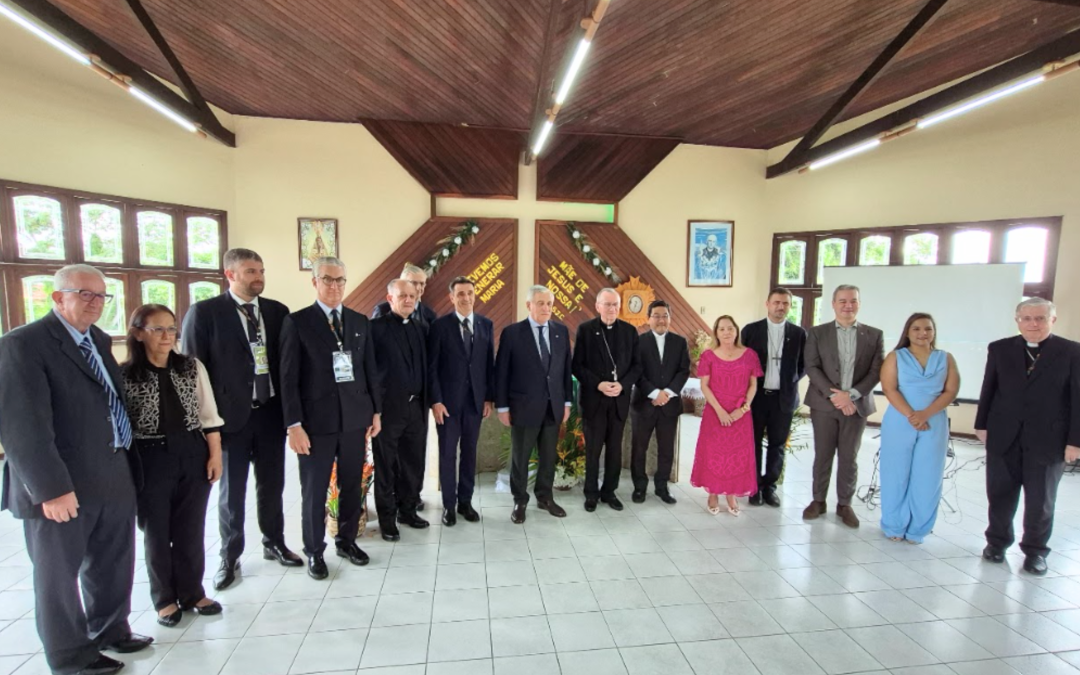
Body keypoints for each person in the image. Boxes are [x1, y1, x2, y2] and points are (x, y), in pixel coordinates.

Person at [0, 264, 152, 675]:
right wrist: (50, 488)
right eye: (84, 294)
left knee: (112, 559)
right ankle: (70, 656)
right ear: (57, 297)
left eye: (101, 295)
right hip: (60, 483)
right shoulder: (22, 344)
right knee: (57, 576)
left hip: (112, 469)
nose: (95, 302)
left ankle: (110, 629)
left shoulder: (97, 339)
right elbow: (21, 426)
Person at [181, 248, 301, 592]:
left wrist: (291, 418)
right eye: (250, 271)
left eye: (261, 270)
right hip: (229, 420)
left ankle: (274, 541)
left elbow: (287, 367)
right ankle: (230, 555)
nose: (258, 277)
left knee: (272, 485)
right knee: (232, 492)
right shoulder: (205, 313)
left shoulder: (277, 312)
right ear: (230, 274)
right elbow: (193, 373)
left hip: (270, 414)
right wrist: (205, 426)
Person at [121, 304, 226, 627]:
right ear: (138, 333)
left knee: (190, 528)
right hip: (149, 457)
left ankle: (193, 592)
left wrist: (215, 455)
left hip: (192, 451)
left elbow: (209, 414)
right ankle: (164, 598)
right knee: (156, 531)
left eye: (171, 328)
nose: (167, 336)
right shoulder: (125, 375)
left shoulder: (190, 367)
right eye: (157, 329)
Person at [280, 257, 381, 579]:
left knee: (352, 485)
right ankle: (314, 550)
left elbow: (370, 370)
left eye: (340, 280)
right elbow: (288, 379)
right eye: (327, 279)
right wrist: (294, 425)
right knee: (314, 490)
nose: (335, 286)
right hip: (315, 425)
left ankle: (347, 541)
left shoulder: (359, 321)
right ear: (315, 282)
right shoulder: (297, 322)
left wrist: (375, 411)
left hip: (354, 421)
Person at [976, 298, 1080, 575]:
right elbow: (989, 387)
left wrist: (1075, 441)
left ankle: (1035, 551)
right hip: (1004, 435)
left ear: (1052, 320)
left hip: (1049, 440)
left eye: (1040, 318)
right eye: (1027, 318)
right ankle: (996, 543)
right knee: (1000, 494)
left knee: (1041, 501)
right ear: (1018, 320)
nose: (1033, 324)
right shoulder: (1000, 348)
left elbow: (1077, 398)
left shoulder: (1071, 351)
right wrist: (981, 424)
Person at [803, 284, 885, 528]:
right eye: (843, 301)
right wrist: (835, 396)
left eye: (853, 301)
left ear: (859, 303)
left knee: (849, 457)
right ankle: (818, 501)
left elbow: (876, 370)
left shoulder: (874, 335)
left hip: (856, 407)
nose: (848, 305)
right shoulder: (817, 333)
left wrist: (851, 396)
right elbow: (812, 367)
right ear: (833, 304)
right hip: (824, 405)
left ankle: (844, 504)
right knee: (823, 454)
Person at [879, 312, 959, 544]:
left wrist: (926, 414)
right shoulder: (896, 356)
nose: (923, 333)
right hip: (899, 420)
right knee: (895, 473)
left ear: (934, 332)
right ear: (907, 332)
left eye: (928, 329)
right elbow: (889, 388)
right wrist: (912, 415)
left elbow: (951, 391)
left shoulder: (946, 358)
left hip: (934, 421)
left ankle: (918, 529)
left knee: (928, 476)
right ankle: (894, 525)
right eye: (916, 328)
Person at [495, 286, 573, 524]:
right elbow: (502, 373)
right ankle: (520, 500)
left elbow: (565, 371)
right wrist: (502, 407)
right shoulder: (512, 333)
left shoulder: (560, 331)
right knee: (520, 458)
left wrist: (567, 402)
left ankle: (545, 497)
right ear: (528, 305)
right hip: (523, 407)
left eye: (549, 303)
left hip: (553, 406)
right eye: (541, 303)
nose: (546, 308)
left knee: (548, 457)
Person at [428, 276, 495, 526]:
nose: (466, 298)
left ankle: (465, 502)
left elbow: (488, 364)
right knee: (448, 455)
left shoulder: (486, 324)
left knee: (469, 453)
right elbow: (432, 368)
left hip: (475, 403)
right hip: (447, 405)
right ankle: (449, 505)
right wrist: (436, 400)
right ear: (452, 297)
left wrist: (488, 398)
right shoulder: (440, 326)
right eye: (460, 294)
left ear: (474, 295)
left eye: (469, 293)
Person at [371, 279, 431, 539]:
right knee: (386, 466)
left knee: (413, 463)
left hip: (416, 408)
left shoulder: (421, 328)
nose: (408, 300)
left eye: (412, 296)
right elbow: (370, 372)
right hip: (387, 411)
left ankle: (408, 510)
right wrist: (374, 410)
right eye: (402, 295)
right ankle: (387, 519)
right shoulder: (375, 328)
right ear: (390, 298)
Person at [573, 288, 642, 511]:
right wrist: (598, 384)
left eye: (615, 305)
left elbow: (637, 366)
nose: (612, 308)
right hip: (594, 400)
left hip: (618, 401)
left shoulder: (630, 332)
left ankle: (609, 492)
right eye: (607, 304)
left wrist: (622, 385)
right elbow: (577, 366)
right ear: (598, 306)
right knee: (592, 451)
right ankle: (591, 494)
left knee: (614, 451)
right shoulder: (585, 330)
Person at [690, 315, 762, 516]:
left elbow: (753, 385)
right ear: (716, 333)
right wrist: (720, 411)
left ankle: (731, 494)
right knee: (714, 452)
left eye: (730, 328)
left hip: (740, 414)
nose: (726, 332)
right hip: (715, 413)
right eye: (722, 329)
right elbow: (704, 385)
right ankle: (713, 493)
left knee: (736, 454)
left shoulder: (749, 355)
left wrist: (743, 408)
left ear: (736, 330)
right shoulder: (709, 356)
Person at [742, 288, 807, 507]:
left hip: (783, 398)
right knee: (753, 443)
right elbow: (742, 361)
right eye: (777, 302)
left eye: (785, 303)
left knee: (777, 445)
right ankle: (754, 487)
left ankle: (770, 487)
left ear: (790, 306)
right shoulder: (751, 330)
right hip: (757, 397)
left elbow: (803, 365)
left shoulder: (798, 334)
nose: (781, 307)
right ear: (767, 304)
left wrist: (789, 379)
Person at [630, 300, 691, 504]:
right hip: (644, 404)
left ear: (670, 318)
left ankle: (662, 486)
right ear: (648, 319)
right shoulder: (638, 342)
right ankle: (639, 487)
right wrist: (654, 393)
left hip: (669, 405)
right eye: (656, 316)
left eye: (665, 315)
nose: (661, 320)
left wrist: (668, 393)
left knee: (666, 449)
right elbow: (636, 371)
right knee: (639, 448)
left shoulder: (680, 342)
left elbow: (684, 370)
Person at [371, 263, 438, 327]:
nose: (418, 288)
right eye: (413, 283)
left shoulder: (430, 315)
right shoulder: (382, 310)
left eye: (422, 284)